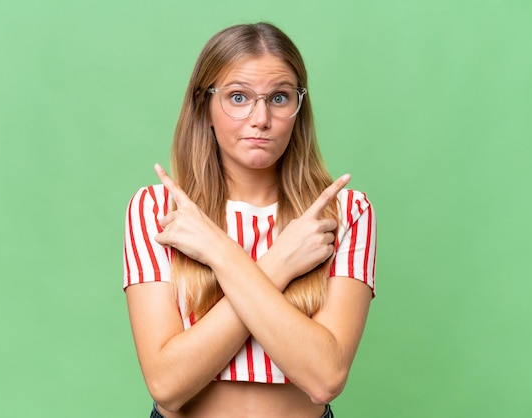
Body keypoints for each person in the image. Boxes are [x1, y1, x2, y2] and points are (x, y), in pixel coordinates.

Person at [123, 22, 376, 418]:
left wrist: (220, 255)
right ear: (203, 105)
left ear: (298, 108)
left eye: (279, 97)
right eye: (238, 97)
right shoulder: (161, 211)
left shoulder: (343, 213)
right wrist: (278, 264)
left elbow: (325, 377)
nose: (261, 118)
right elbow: (167, 386)